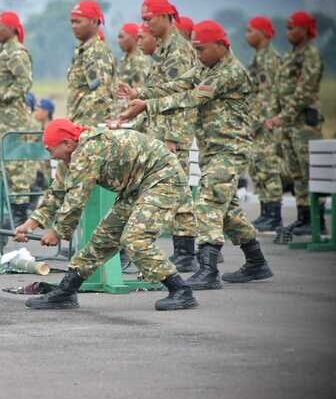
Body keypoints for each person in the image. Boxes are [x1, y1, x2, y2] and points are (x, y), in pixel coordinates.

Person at [120, 20, 274, 289]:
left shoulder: (230, 73)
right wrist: (140, 93)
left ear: (221, 45)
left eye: (202, 49)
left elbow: (192, 97)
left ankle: (208, 270)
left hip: (230, 148)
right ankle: (256, 261)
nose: (198, 55)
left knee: (208, 203)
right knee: (227, 211)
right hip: (212, 148)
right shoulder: (206, 66)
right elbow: (179, 85)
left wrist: (147, 106)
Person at [14, 119, 198, 311]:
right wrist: (30, 224)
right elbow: (57, 193)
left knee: (135, 240)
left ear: (67, 143)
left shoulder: (89, 150)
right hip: (137, 187)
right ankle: (66, 292)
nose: (50, 155)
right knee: (103, 239)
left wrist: (57, 232)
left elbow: (76, 199)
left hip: (163, 179)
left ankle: (180, 290)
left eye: (50, 150)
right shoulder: (70, 158)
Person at [118, 0, 200, 273]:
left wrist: (173, 139)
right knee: (168, 189)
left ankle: (186, 251)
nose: (146, 24)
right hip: (158, 129)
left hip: (170, 133)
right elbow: (159, 91)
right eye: (143, 18)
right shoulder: (165, 49)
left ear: (166, 17)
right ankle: (182, 251)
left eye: (150, 18)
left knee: (177, 190)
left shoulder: (177, 50)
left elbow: (180, 98)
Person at [266, 11, 325, 238]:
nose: (289, 32)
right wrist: (276, 116)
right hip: (289, 125)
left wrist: (284, 116)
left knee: (311, 172)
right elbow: (280, 89)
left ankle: (317, 219)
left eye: (293, 28)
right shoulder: (292, 55)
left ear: (306, 30)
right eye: (288, 27)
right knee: (297, 174)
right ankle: (304, 218)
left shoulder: (310, 54)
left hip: (303, 124)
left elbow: (305, 91)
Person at [0, 10, 35, 229]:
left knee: (15, 166)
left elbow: (24, 83)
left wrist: (1, 95)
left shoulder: (16, 53)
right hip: (1, 119)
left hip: (13, 120)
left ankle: (20, 214)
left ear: (12, 29)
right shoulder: (2, 52)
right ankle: (9, 214)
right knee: (3, 167)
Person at [244, 16, 283, 232]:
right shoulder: (259, 57)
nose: (247, 35)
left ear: (263, 33)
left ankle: (274, 216)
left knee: (269, 168)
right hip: (257, 122)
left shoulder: (270, 59)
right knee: (258, 168)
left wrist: (265, 120)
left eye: (251, 31)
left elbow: (270, 94)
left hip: (267, 122)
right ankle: (266, 212)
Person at [67, 1, 116, 125]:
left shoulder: (96, 51)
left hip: (91, 125)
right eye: (72, 22)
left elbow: (101, 93)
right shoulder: (84, 51)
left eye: (78, 22)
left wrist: (81, 123)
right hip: (79, 122)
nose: (74, 26)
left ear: (94, 22)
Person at [117, 23, 152, 89]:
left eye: (121, 37)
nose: (119, 41)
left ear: (134, 37)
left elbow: (139, 90)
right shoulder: (125, 59)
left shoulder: (140, 61)